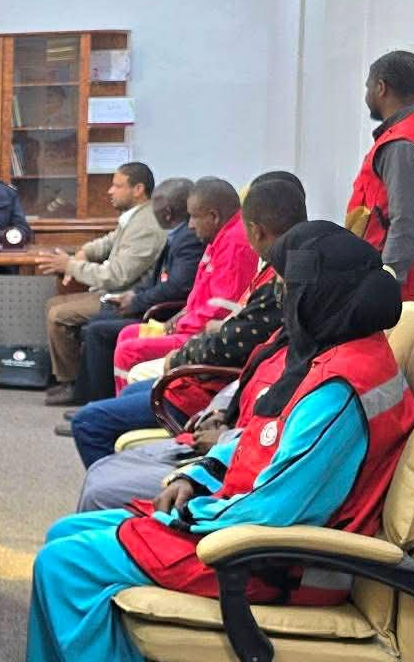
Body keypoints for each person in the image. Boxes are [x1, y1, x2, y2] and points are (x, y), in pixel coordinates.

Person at [23, 221, 414, 662]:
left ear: (321, 296)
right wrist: (197, 475)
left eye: (292, 290)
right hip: (254, 536)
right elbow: (258, 436)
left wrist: (189, 517)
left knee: (63, 565)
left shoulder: (340, 389)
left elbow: (276, 509)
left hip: (271, 559)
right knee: (65, 534)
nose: (284, 302)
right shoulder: (338, 354)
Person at [69, 174, 307, 473]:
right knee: (129, 381)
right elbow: (228, 321)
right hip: (218, 373)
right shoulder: (283, 268)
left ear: (255, 230)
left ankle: (117, 476)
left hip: (214, 385)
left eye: (194, 217)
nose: (190, 224)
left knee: (89, 420)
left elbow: (232, 336)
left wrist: (180, 355)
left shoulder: (274, 276)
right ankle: (121, 448)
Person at [41, 173, 191, 408]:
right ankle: (75, 383)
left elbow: (118, 276)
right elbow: (108, 242)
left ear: (138, 189)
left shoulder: (149, 225)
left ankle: (81, 390)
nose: (110, 191)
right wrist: (84, 253)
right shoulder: (135, 217)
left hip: (128, 293)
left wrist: (71, 265)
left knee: (65, 317)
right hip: (129, 294)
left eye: (117, 185)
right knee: (56, 306)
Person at [103, 178, 259, 395]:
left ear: (213, 216)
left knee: (129, 351)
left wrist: (179, 325)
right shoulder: (218, 236)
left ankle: (129, 408)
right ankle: (122, 402)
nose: (190, 225)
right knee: (129, 333)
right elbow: (199, 296)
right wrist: (176, 320)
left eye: (194, 217)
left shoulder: (235, 244)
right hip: (190, 326)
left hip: (202, 336)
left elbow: (221, 309)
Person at [347, 50, 414, 304]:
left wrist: (384, 284)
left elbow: (405, 222)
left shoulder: (402, 144)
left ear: (381, 88)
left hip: (401, 291)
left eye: (368, 87)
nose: (366, 95)